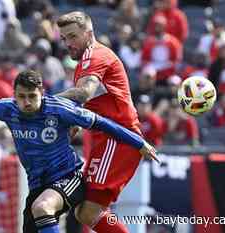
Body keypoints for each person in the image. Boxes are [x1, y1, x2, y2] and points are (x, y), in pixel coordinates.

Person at [0, 70, 158, 233]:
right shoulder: (6, 109)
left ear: (42, 94)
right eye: (22, 96)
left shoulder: (59, 109)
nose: (26, 102)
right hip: (38, 183)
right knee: (72, 213)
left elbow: (102, 123)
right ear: (14, 95)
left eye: (32, 97)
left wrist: (139, 143)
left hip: (69, 176)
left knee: (44, 208)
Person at [57, 11, 155, 233]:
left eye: (72, 36)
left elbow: (84, 93)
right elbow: (91, 101)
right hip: (107, 138)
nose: (67, 43)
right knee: (84, 212)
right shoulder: (86, 60)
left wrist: (44, 102)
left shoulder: (94, 56)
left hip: (118, 138)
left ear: (89, 33)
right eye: (63, 38)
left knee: (89, 212)